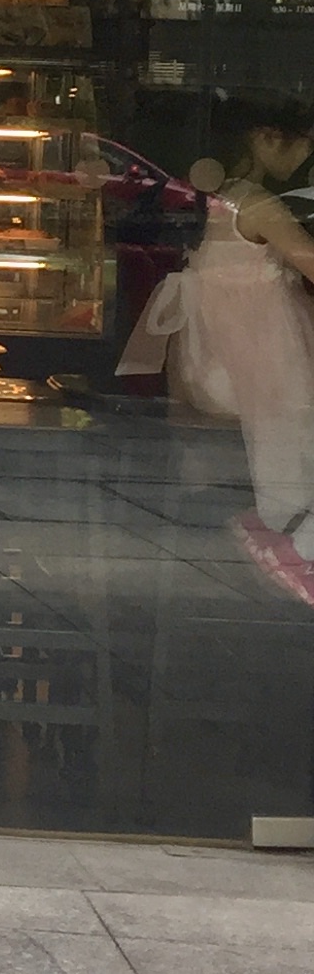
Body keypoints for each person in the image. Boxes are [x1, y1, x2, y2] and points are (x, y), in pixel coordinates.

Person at [117, 111, 314, 604]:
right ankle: (289, 541)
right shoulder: (256, 204)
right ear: (264, 136)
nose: (306, 156)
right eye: (302, 143)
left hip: (213, 355)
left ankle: (279, 532)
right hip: (263, 354)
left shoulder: (211, 204)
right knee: (292, 437)